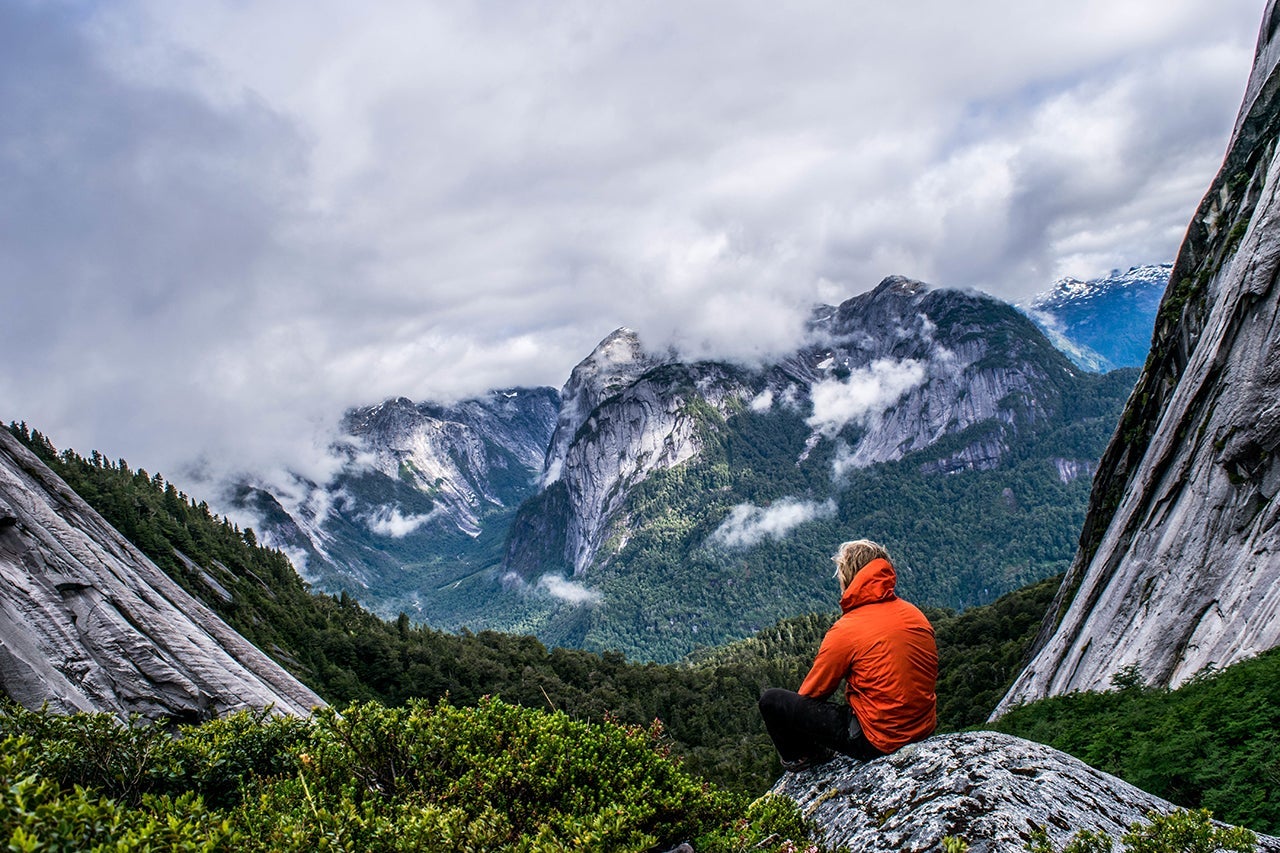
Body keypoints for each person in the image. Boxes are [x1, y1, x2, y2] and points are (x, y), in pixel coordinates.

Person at [758, 539, 937, 771]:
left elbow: (812, 693)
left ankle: (803, 758)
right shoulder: (914, 614)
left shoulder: (848, 628)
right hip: (923, 730)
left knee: (772, 701)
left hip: (878, 741)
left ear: (849, 577)